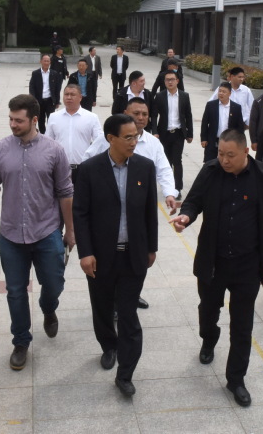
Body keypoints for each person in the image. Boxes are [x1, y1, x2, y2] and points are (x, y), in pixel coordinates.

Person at [169, 129, 263, 408]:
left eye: (230, 155)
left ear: (246, 151)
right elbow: (193, 201)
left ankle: (236, 379)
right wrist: (186, 216)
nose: (224, 160)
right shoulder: (210, 172)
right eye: (220, 153)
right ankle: (209, 339)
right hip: (213, 261)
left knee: (242, 325)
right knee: (208, 310)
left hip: (247, 264)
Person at [0, 94, 74, 370]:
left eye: (19, 120)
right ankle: (21, 341)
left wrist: (71, 231)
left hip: (47, 232)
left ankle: (48, 307)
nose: (13, 124)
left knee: (54, 283)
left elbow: (65, 192)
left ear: (35, 120)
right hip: (11, 235)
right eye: (11, 119)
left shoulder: (54, 151)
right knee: (15, 291)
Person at [73, 114, 158, 397]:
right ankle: (109, 345)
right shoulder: (89, 169)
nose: (134, 141)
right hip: (100, 256)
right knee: (102, 308)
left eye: (136, 136)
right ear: (111, 138)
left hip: (133, 255)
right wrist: (86, 252)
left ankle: (125, 374)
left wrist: (151, 247)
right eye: (128, 137)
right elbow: (80, 213)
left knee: (129, 315)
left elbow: (150, 211)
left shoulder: (144, 167)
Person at [85, 97, 179, 311]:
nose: (141, 118)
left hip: (136, 215)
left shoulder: (153, 143)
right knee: (111, 264)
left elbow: (164, 169)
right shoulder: (107, 139)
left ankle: (131, 297)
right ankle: (114, 302)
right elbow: (88, 161)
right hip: (110, 212)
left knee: (136, 263)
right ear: (126, 113)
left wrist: (169, 193)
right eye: (136, 113)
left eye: (145, 114)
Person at [46, 84, 103, 183]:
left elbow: (99, 142)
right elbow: (48, 143)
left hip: (83, 168)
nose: (69, 97)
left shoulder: (91, 117)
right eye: (66, 94)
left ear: (80, 97)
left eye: (72, 94)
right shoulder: (54, 117)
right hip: (60, 169)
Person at [151, 70, 193, 199]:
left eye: (172, 79)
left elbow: (188, 115)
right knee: (166, 161)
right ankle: (168, 188)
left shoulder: (184, 96)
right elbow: (154, 116)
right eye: (167, 80)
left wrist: (190, 134)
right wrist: (155, 132)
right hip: (164, 133)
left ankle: (178, 188)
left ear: (177, 81)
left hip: (179, 133)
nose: (170, 82)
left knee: (177, 161)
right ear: (164, 82)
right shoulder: (160, 96)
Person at [200, 82, 245, 162]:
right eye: (220, 91)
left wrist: (239, 142)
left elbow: (240, 127)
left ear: (229, 94)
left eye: (224, 92)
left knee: (227, 163)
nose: (221, 93)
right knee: (210, 163)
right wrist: (203, 138)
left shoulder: (236, 107)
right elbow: (204, 123)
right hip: (213, 141)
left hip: (229, 142)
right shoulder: (211, 105)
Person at [29, 54, 63, 134]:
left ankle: (50, 134)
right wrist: (33, 99)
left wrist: (57, 101)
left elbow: (57, 89)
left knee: (51, 119)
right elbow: (32, 87)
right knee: (40, 119)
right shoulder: (35, 73)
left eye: (48, 61)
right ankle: (42, 134)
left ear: (50, 62)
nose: (46, 63)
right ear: (41, 61)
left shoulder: (54, 73)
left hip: (50, 100)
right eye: (45, 61)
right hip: (39, 100)